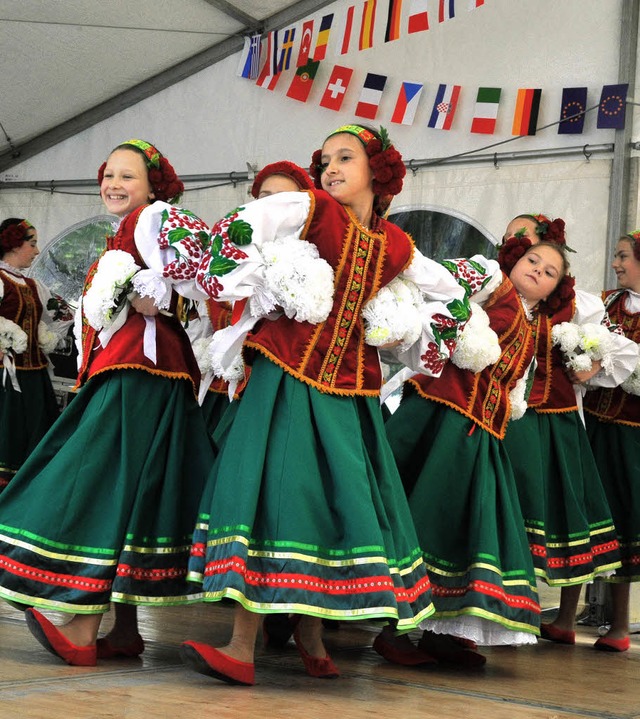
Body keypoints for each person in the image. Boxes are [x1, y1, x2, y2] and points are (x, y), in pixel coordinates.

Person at [179, 124, 471, 685]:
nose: (331, 168)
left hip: (350, 393)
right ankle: (241, 647)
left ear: (380, 173)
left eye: (346, 158)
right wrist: (251, 280)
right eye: (327, 160)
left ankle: (311, 634)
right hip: (286, 379)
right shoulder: (311, 209)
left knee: (329, 505)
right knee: (271, 498)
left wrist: (411, 332)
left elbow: (452, 294)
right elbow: (244, 227)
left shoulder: (397, 244)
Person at [0, 139, 215, 666]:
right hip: (139, 367)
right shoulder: (126, 229)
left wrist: (161, 294)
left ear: (152, 186)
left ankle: (82, 626)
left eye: (128, 177)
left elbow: (198, 280)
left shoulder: (157, 219)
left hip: (140, 371)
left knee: (101, 479)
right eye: (108, 175)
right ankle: (123, 628)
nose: (114, 184)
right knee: (135, 487)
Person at [377, 241, 573, 667]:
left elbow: (515, 387)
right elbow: (439, 279)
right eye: (532, 260)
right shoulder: (493, 281)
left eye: (550, 271)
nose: (538, 270)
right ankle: (397, 631)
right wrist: (464, 324)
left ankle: (436, 629)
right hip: (439, 418)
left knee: (456, 528)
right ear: (515, 262)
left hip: (480, 434)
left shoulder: (529, 325)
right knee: (426, 517)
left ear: (554, 290)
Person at [499, 215, 637, 646]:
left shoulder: (575, 305)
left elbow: (606, 350)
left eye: (623, 256)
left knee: (593, 514)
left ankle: (606, 624)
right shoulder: (493, 287)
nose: (615, 264)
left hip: (594, 428)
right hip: (547, 421)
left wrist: (593, 364)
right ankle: (534, 614)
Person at [583, 231, 640, 652]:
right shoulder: (604, 303)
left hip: (632, 437)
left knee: (625, 519)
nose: (616, 263)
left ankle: (620, 625)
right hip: (595, 426)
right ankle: (566, 617)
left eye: (622, 256)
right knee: (585, 513)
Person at [0, 218, 73, 490]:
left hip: (33, 375)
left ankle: (26, 489)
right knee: (9, 431)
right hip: (5, 377)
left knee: (35, 430)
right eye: (32, 244)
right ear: (13, 245)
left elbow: (62, 316)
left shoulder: (34, 286)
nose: (37, 250)